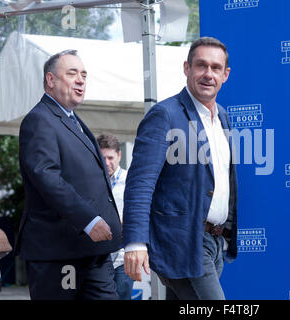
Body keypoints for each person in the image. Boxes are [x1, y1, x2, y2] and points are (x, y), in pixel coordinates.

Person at [123, 37, 238, 300]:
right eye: (201, 65)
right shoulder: (165, 114)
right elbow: (140, 183)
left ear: (225, 75)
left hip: (215, 243)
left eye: (216, 68)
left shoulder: (222, 116)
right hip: (183, 242)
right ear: (186, 68)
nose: (208, 74)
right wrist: (136, 242)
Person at [16, 50, 121, 300]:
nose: (81, 80)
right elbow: (46, 177)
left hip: (93, 252)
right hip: (59, 254)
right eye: (72, 73)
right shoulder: (39, 120)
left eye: (84, 74)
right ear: (51, 80)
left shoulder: (75, 121)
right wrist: (89, 220)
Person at [96, 133, 134, 300]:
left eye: (110, 157)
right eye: (102, 157)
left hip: (123, 256)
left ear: (119, 155)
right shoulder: (91, 182)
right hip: (97, 256)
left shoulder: (132, 181)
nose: (107, 163)